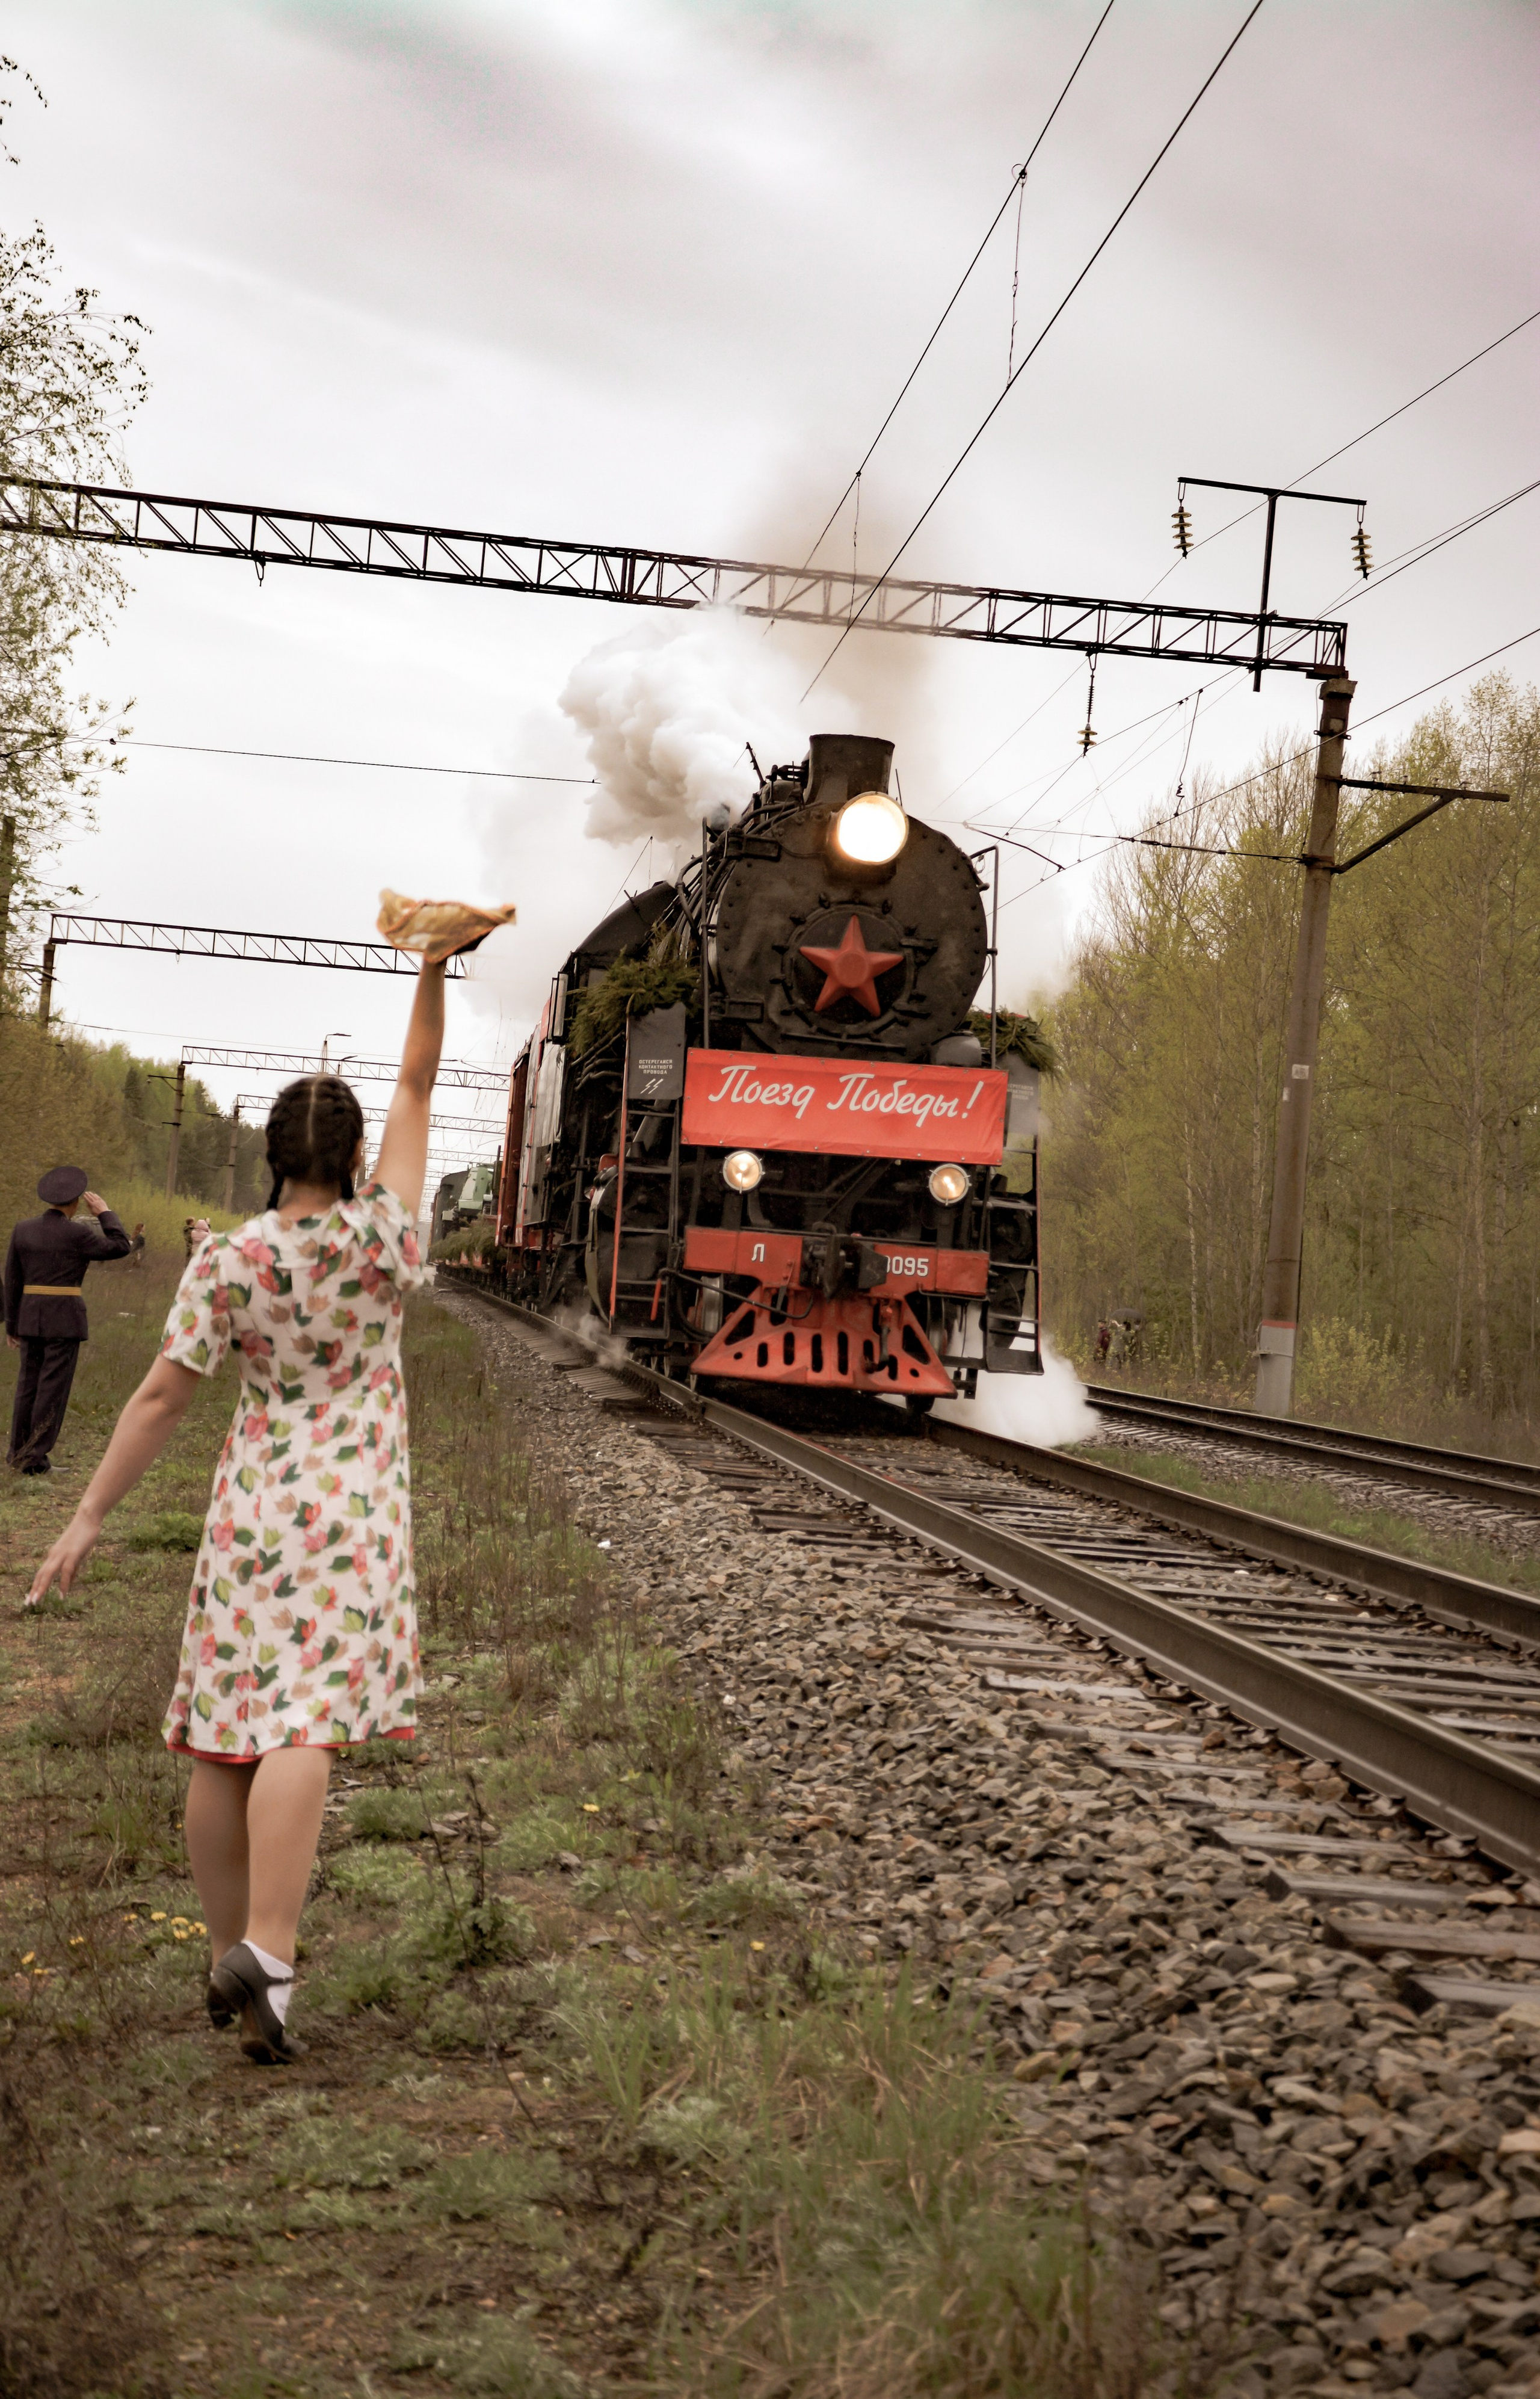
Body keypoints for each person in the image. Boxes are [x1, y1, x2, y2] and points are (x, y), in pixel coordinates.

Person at [26, 958, 446, 2062]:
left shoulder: (231, 1259)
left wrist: (85, 1519)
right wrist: (434, 968)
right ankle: (266, 1948)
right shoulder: (384, 1240)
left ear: (270, 1155)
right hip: (350, 1502)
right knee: (305, 1721)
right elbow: (414, 1081)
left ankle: (227, 1953)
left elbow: (163, 1395)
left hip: (253, 1502)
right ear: (351, 1158)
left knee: (222, 1740)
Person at [5, 1168, 132, 1475]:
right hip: (64, 1319)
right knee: (52, 1388)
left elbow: (11, 1280)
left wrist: (11, 1324)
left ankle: (18, 1455)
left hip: (30, 1317)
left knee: (27, 1386)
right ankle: (35, 1460)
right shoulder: (78, 1234)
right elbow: (121, 1246)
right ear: (76, 1203)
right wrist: (106, 1214)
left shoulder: (23, 1230)